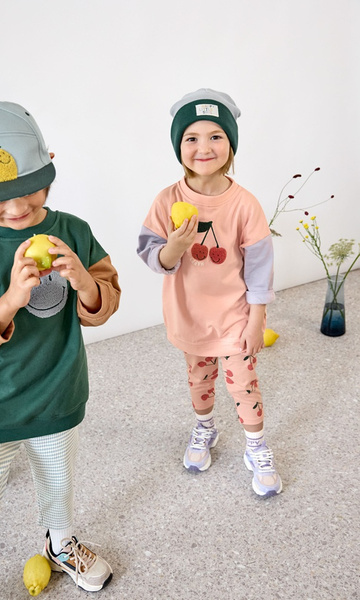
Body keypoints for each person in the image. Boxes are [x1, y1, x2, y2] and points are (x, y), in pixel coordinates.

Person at [0, 101, 121, 600]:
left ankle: (59, 542)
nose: (15, 207)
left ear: (49, 167)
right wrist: (10, 300)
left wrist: (84, 281)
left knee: (58, 484)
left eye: (27, 188)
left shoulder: (74, 232)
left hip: (58, 394)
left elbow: (105, 302)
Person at [137, 88, 282, 498]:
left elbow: (259, 268)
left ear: (231, 144)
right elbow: (151, 255)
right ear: (178, 146)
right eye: (192, 138)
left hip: (235, 314)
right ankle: (205, 428)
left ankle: (256, 446)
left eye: (216, 136)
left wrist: (257, 320)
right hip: (189, 314)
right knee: (199, 378)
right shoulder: (167, 200)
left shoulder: (245, 204)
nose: (204, 147)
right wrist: (175, 247)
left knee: (243, 383)